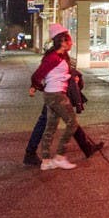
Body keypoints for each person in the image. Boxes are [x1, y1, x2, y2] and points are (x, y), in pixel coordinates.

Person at [27, 24, 90, 170]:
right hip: (56, 95)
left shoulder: (61, 56)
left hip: (54, 94)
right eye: (68, 40)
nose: (71, 42)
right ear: (61, 41)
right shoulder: (53, 57)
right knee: (72, 123)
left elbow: (58, 74)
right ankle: (60, 156)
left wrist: (70, 78)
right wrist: (39, 87)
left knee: (50, 127)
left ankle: (46, 160)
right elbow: (37, 75)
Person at [23, 63, 104, 166]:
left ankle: (87, 148)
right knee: (55, 121)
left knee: (68, 121)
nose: (70, 45)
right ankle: (30, 153)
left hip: (57, 92)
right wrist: (34, 85)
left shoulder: (61, 55)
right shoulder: (55, 55)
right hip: (56, 94)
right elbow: (44, 70)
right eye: (68, 45)